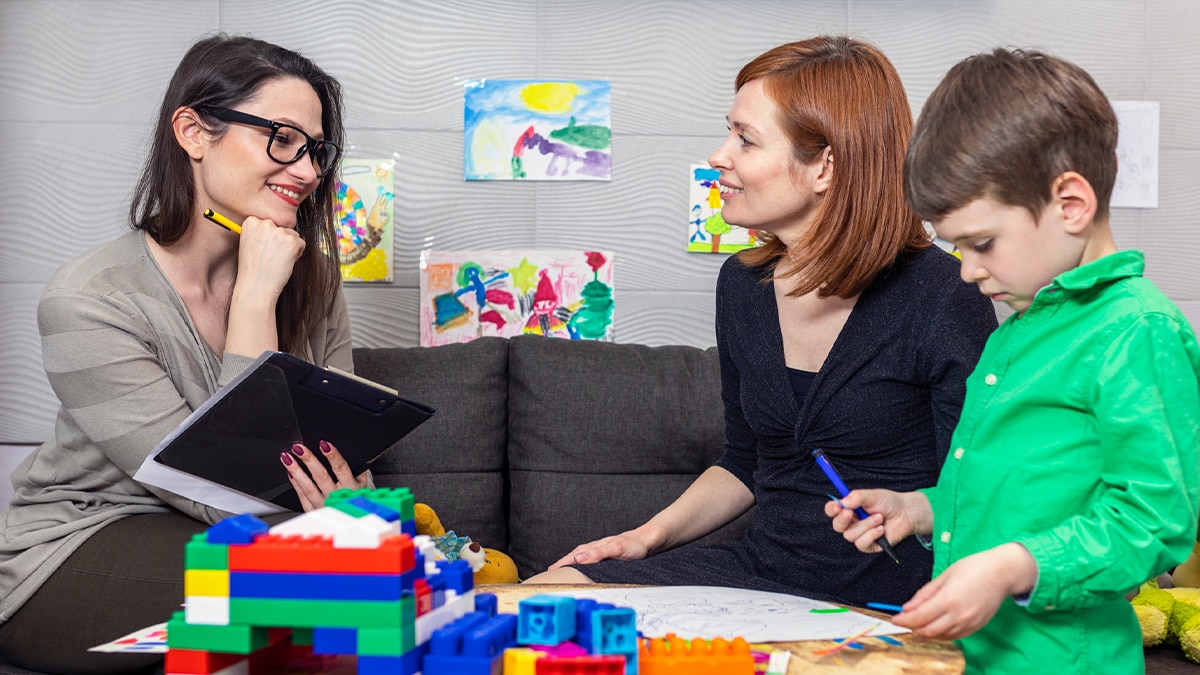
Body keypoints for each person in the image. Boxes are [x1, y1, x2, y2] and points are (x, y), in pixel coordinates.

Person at [524, 36, 998, 607]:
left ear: (826, 165)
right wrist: (642, 539)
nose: (720, 156)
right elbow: (745, 460)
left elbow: (977, 494)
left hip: (896, 593)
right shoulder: (742, 286)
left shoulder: (945, 294)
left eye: (745, 139)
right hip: (761, 567)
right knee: (535, 598)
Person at [0, 35, 369, 674]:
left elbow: (336, 451)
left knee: (376, 558)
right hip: (72, 552)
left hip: (245, 536)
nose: (308, 171)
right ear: (194, 132)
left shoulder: (313, 280)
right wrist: (254, 302)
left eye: (316, 150)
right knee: (325, 570)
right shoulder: (90, 299)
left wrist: (346, 497)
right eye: (282, 139)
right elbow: (225, 488)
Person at [827, 47, 1200, 674]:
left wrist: (1012, 568)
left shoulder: (1137, 329)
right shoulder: (1017, 330)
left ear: (1071, 205)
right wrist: (919, 509)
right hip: (971, 658)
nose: (968, 269)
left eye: (983, 243)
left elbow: (1157, 521)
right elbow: (1013, 496)